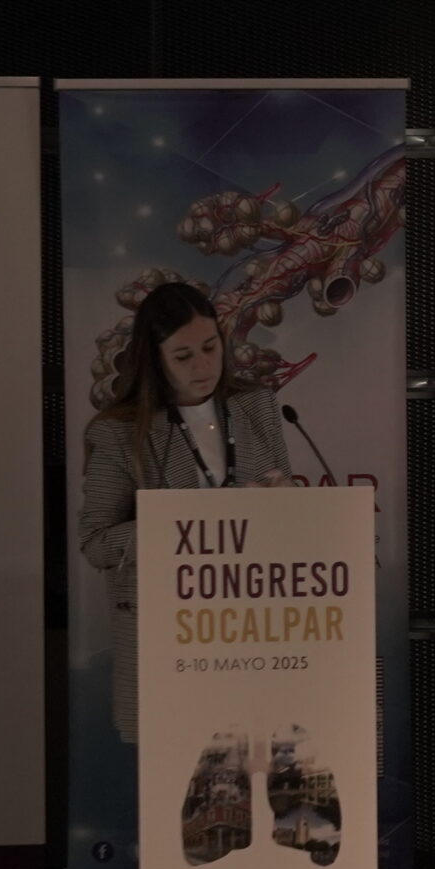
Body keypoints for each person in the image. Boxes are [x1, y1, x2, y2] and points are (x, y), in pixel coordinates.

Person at [79, 281, 294, 740]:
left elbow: (285, 503)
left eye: (210, 347)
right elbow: (95, 543)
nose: (203, 365)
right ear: (154, 359)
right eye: (183, 356)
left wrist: (284, 499)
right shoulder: (117, 433)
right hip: (168, 643)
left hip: (256, 633)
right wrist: (177, 525)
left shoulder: (257, 406)